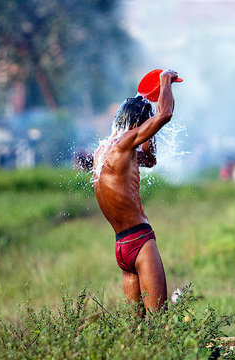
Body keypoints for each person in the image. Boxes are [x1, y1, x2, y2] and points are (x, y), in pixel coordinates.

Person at [93, 69, 181, 316]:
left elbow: (150, 159)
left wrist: (147, 135)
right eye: (144, 127)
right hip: (140, 242)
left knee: (136, 328)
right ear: (134, 126)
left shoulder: (105, 152)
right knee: (158, 321)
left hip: (121, 245)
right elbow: (165, 114)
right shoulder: (124, 144)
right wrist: (165, 80)